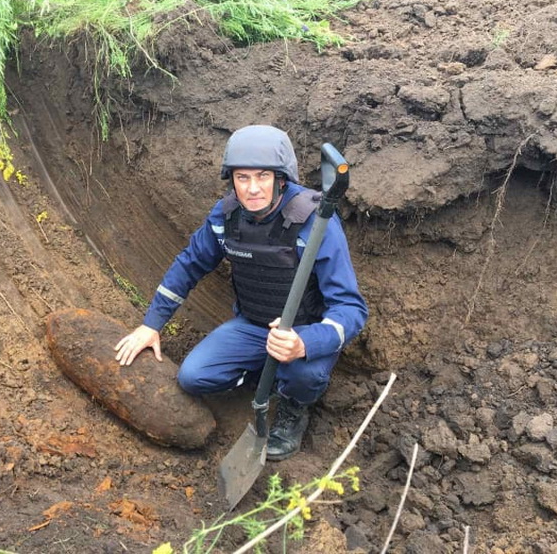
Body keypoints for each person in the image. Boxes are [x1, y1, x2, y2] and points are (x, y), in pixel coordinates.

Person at [114, 125, 368, 460]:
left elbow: (351, 308)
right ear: (231, 179)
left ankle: (294, 407)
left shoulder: (315, 221)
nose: (252, 189)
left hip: (303, 331)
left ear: (281, 178)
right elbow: (189, 264)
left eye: (263, 176)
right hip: (252, 324)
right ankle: (264, 372)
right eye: (242, 178)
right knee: (193, 377)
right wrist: (152, 324)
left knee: (303, 374)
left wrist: (305, 343)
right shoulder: (226, 216)